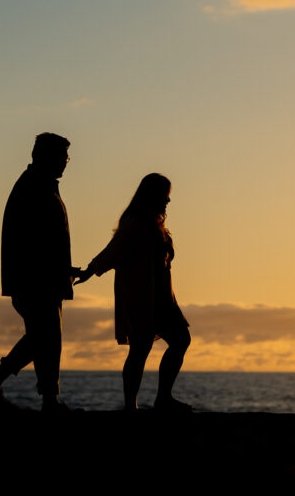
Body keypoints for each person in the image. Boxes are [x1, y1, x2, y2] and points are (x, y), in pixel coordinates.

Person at [0, 132, 81, 411]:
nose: (66, 163)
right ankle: (45, 398)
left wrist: (64, 269)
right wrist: (57, 270)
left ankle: (3, 382)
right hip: (36, 282)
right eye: (63, 157)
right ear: (47, 157)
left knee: (43, 338)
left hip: (42, 279)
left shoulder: (39, 185)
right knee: (46, 338)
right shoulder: (35, 187)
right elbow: (34, 240)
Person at [75, 173, 191, 412]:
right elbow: (114, 250)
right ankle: (132, 405)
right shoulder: (136, 222)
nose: (168, 202)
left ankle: (162, 398)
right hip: (141, 296)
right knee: (141, 348)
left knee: (179, 341)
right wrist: (91, 269)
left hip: (162, 296)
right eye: (165, 196)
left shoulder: (155, 223)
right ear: (152, 195)